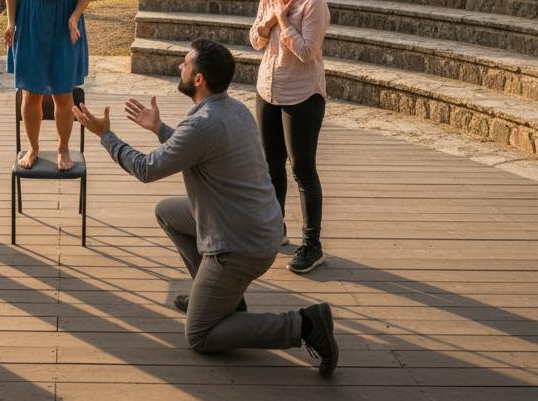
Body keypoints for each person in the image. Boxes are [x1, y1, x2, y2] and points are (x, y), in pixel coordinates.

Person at [71, 38, 339, 377]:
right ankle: (215, 296)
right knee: (168, 212)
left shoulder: (202, 124)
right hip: (256, 226)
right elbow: (198, 147)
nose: (180, 67)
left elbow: (146, 169)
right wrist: (158, 128)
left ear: (199, 79)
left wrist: (104, 134)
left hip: (242, 245)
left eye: (185, 63)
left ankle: (303, 325)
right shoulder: (231, 109)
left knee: (199, 335)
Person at [250, 0, 331, 275]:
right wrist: (269, 19)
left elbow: (305, 52)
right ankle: (275, 229)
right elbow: (254, 40)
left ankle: (312, 245)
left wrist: (283, 20)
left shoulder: (314, 2)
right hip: (268, 90)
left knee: (302, 170)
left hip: (302, 95)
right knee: (271, 165)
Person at [5, 0, 97, 171]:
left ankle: (63, 149)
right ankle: (33, 148)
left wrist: (75, 16)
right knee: (30, 92)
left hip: (65, 24)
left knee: (62, 93)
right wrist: (11, 21)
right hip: (30, 20)